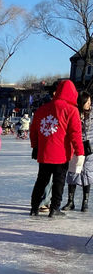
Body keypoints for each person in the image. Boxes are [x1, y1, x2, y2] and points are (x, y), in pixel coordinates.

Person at [29, 79, 83, 218]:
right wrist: (80, 152)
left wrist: (35, 146)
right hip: (61, 154)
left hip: (44, 152)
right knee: (58, 182)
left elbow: (34, 129)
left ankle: (34, 207)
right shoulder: (71, 110)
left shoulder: (42, 109)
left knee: (41, 180)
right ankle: (54, 209)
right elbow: (75, 134)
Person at [62, 91, 93, 212]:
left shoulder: (92, 114)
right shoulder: (74, 113)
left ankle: (85, 202)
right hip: (76, 147)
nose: (89, 104)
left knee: (87, 173)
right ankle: (70, 201)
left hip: (90, 148)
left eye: (90, 102)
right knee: (73, 172)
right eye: (87, 102)